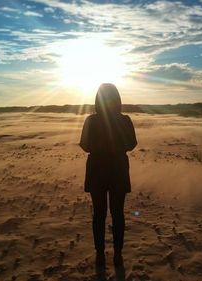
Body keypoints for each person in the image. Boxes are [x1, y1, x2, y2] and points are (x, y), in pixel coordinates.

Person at [79, 83, 137, 268]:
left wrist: (99, 148)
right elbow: (132, 144)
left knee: (99, 214)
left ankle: (100, 255)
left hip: (97, 168)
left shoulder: (91, 120)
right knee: (117, 213)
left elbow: (84, 145)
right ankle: (117, 255)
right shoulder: (125, 119)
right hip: (118, 168)